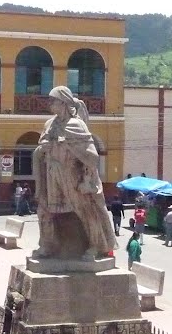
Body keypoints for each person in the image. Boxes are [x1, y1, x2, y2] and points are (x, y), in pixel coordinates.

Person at [31, 86, 116, 260]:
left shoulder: (76, 125)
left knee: (85, 210)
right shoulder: (49, 124)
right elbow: (39, 150)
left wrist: (69, 145)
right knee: (45, 211)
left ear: (63, 102)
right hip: (51, 174)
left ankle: (95, 245)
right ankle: (48, 245)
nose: (49, 103)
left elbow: (92, 158)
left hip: (71, 176)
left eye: (52, 100)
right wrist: (42, 149)